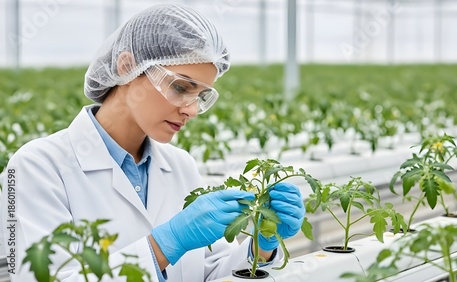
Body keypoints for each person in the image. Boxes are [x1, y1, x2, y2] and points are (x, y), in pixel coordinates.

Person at [0, 4, 305, 281]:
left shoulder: (180, 165)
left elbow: (211, 270)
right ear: (126, 67)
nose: (191, 109)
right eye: (180, 87)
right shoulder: (35, 167)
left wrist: (261, 248)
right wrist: (163, 245)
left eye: (200, 95)